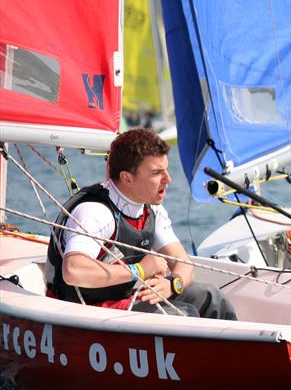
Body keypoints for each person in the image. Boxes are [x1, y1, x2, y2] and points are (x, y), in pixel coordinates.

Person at [45, 128, 237, 320]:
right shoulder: (96, 212)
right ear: (127, 178)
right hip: (83, 312)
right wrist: (141, 270)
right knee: (183, 314)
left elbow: (183, 262)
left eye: (166, 170)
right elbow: (73, 271)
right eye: (156, 173)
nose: (168, 180)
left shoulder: (151, 210)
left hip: (122, 302)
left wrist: (172, 283)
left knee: (211, 297)